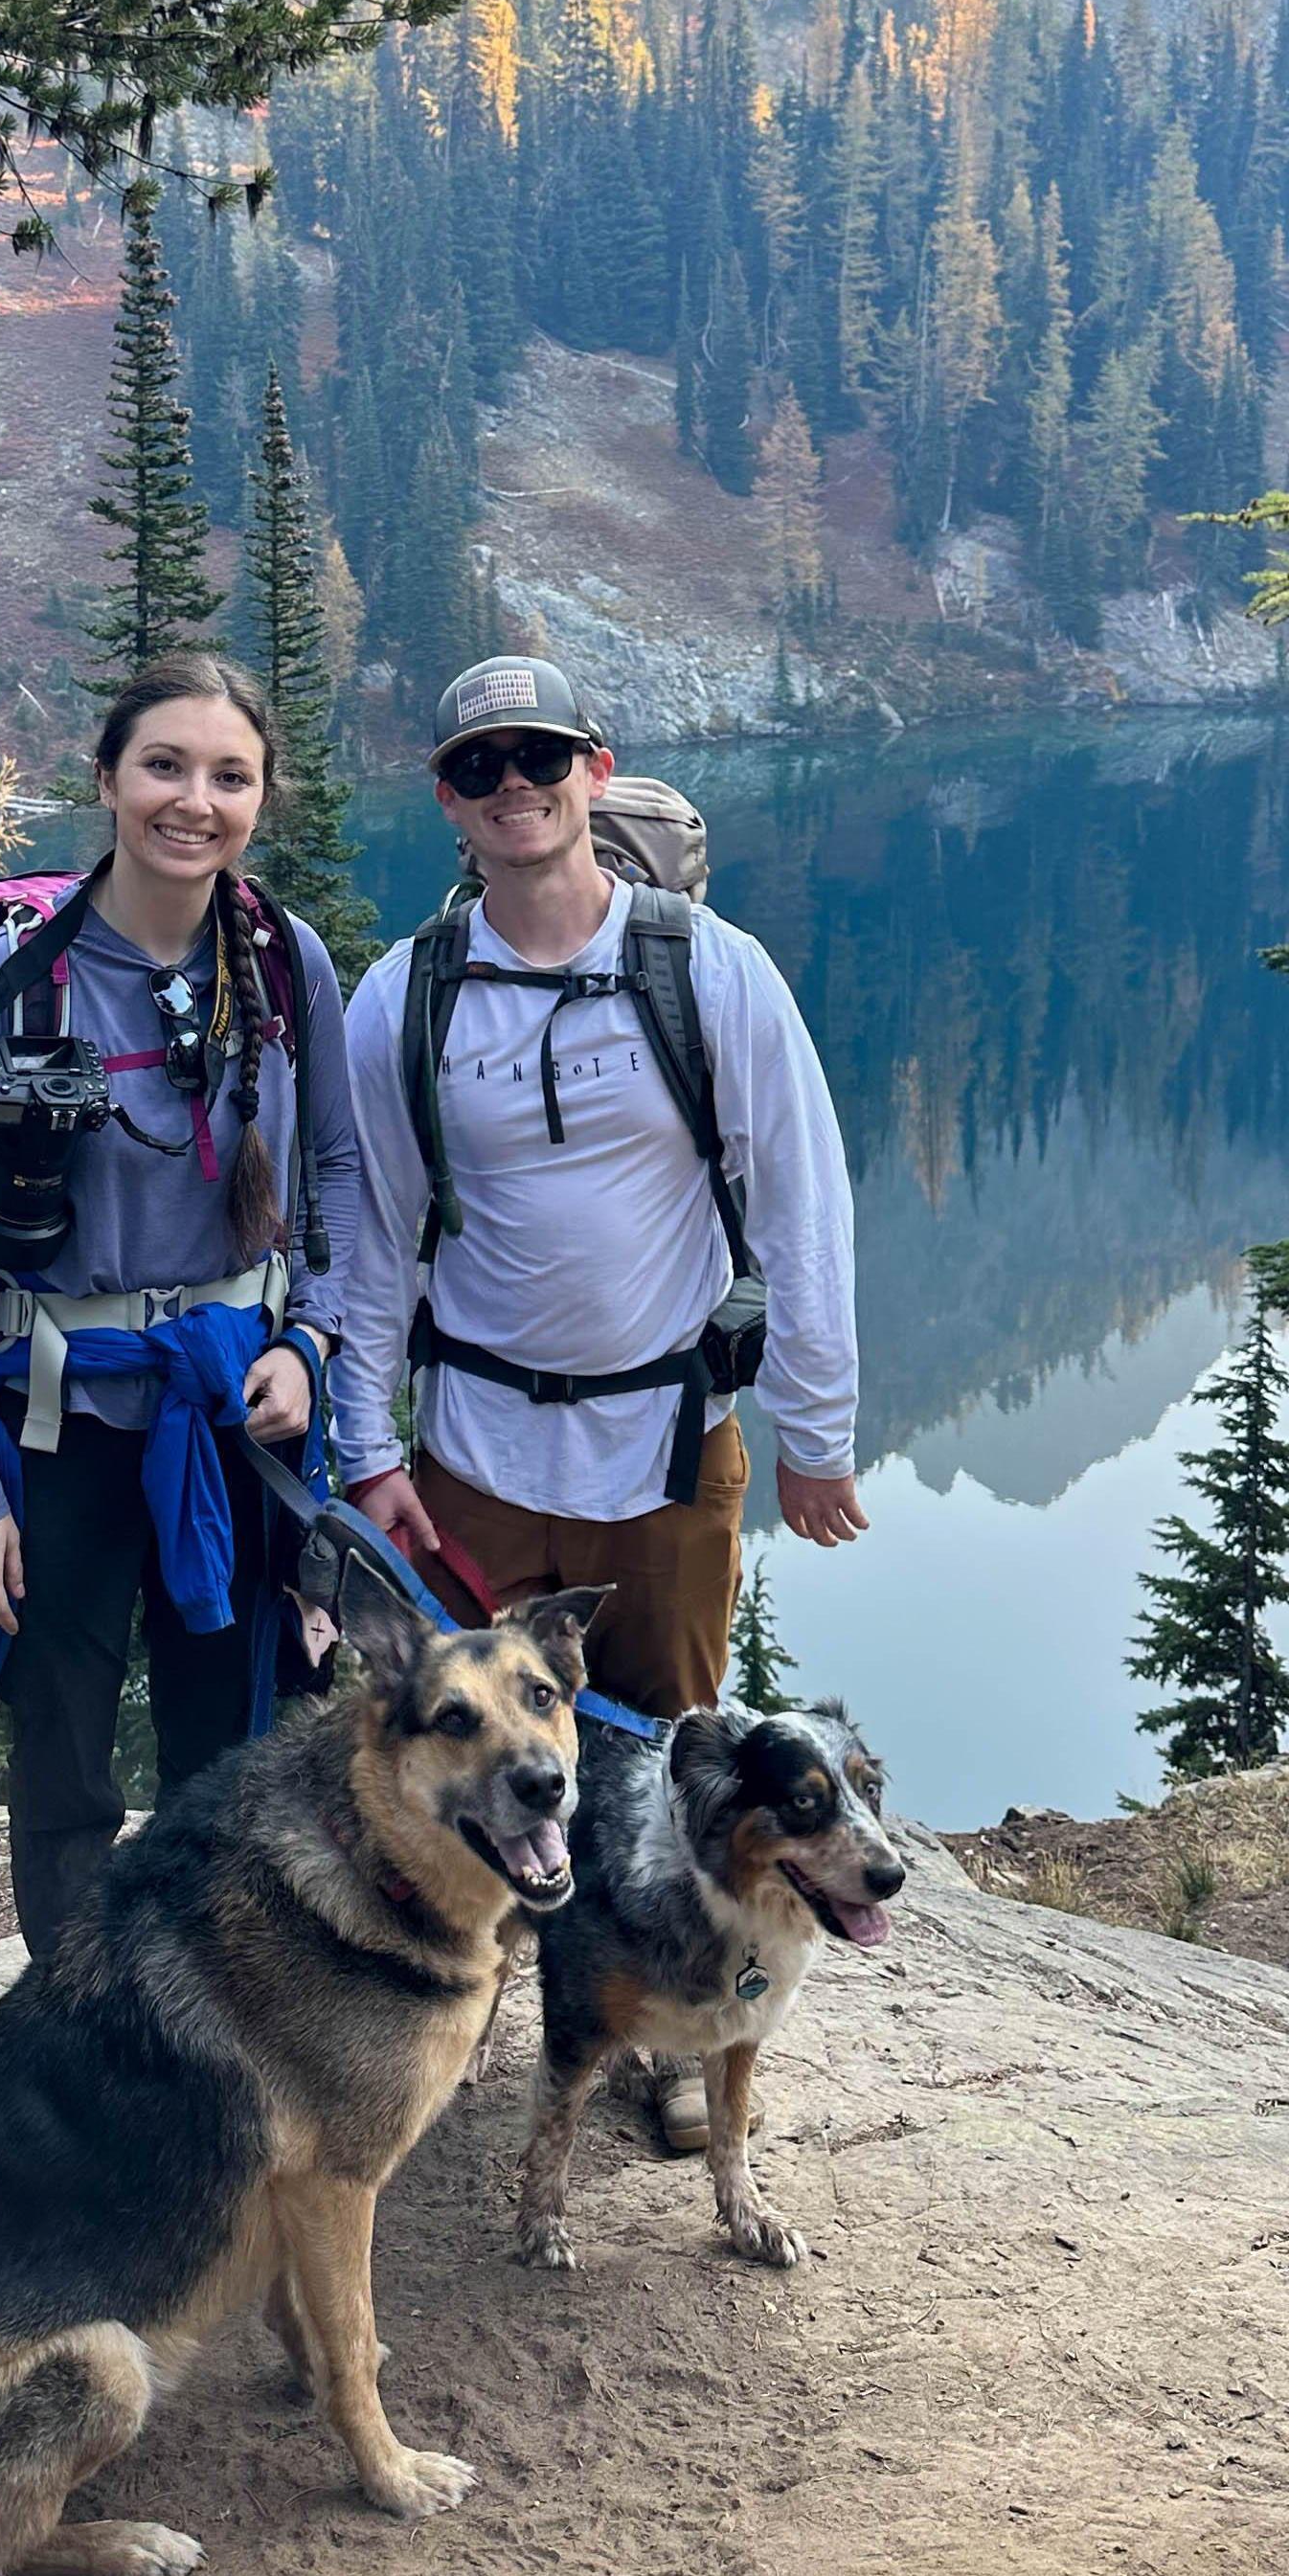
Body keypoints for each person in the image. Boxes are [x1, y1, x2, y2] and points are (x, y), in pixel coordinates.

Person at [330, 653, 865, 2148]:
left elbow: (803, 1203)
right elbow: (374, 1236)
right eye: (483, 765)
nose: (517, 787)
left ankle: (676, 2042)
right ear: (448, 795)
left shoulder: (707, 970)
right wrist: (368, 1446)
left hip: (666, 1439)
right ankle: (466, 2020)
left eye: (542, 758)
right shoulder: (410, 994)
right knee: (482, 1764)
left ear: (598, 769)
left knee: (680, 1754)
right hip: (480, 1450)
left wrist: (817, 1434)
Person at [0, 649, 364, 1957]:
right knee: (65, 1765)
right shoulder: (9, 986)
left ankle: (222, 2017)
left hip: (236, 1416)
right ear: (105, 779)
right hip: (61, 1435)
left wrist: (314, 1344)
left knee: (237, 1741)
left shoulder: (283, 964)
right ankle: (81, 2020)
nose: (194, 801)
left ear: (261, 797)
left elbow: (336, 1170)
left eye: (230, 776)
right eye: (164, 766)